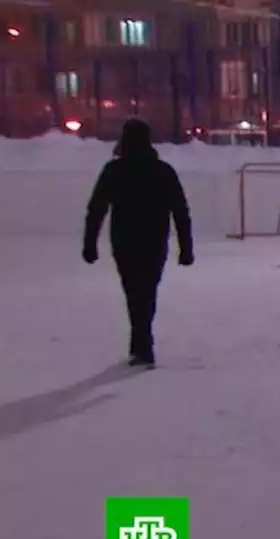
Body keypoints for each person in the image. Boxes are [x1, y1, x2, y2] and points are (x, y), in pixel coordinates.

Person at [83, 118, 194, 368]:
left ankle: (141, 342)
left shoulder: (114, 170)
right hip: (154, 239)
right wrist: (186, 247)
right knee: (147, 290)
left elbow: (97, 208)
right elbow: (180, 210)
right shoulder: (163, 171)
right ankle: (143, 342)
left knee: (133, 291)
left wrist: (90, 242)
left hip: (124, 240)